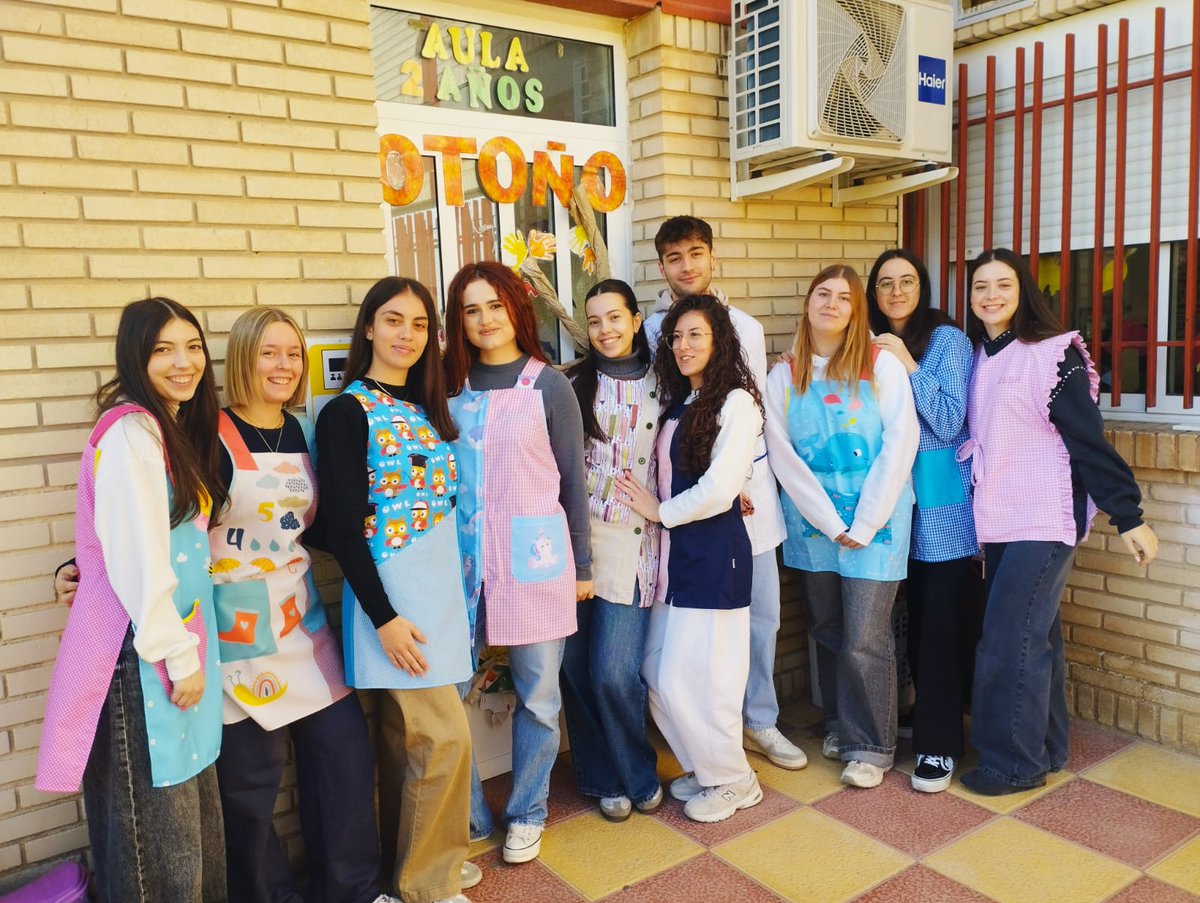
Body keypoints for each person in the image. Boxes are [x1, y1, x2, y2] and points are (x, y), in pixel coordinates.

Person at [37, 297, 229, 902]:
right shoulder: (132, 432)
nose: (183, 362)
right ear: (135, 358)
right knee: (158, 845)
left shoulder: (164, 427)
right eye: (162, 350)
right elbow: (137, 559)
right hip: (145, 658)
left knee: (184, 829)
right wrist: (179, 655)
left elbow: (136, 535)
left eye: (193, 346)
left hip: (169, 648)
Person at [958, 248, 1158, 795]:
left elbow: (1087, 439)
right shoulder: (982, 356)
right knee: (1032, 640)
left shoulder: (1052, 354)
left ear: (1024, 290)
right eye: (980, 287)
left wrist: (1128, 515)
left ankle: (1013, 766)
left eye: (1002, 284)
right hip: (998, 517)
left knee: (1005, 644)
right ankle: (1047, 750)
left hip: (1043, 519)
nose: (990, 296)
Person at [213, 308, 395, 903]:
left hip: (301, 617)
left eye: (293, 354)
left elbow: (311, 525)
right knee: (250, 786)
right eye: (269, 352)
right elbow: (163, 529)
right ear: (243, 357)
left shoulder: (300, 432)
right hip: (235, 632)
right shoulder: (207, 435)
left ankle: (353, 890)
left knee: (343, 759)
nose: (285, 366)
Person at [317, 277, 478, 903]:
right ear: (368, 329)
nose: (405, 334)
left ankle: (412, 868)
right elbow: (339, 528)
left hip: (437, 592)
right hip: (393, 599)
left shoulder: (421, 406)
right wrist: (383, 616)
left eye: (418, 324)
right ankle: (428, 885)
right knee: (443, 740)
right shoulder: (346, 412)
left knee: (405, 743)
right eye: (392, 320)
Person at [443, 260, 592, 864]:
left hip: (536, 559)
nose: (484, 320)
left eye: (494, 306)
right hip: (459, 563)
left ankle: (527, 810)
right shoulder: (447, 387)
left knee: (539, 696)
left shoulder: (548, 383)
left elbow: (573, 481)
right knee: (448, 695)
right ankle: (473, 813)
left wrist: (582, 567)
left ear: (516, 309)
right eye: (470, 310)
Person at [643, 216, 804, 771]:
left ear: (712, 257)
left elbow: (751, 412)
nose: (686, 266)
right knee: (696, 636)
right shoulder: (650, 329)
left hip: (742, 495)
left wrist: (741, 482)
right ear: (661, 267)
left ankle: (759, 721)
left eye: (695, 253)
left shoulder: (745, 327)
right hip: (690, 498)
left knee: (761, 619)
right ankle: (709, 739)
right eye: (673, 257)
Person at [764, 265, 919, 790]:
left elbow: (902, 444)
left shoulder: (883, 366)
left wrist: (866, 519)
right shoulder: (785, 374)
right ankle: (838, 724)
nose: (832, 303)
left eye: (845, 298)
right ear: (808, 304)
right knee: (828, 630)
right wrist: (831, 523)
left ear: (857, 311)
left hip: (877, 525)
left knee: (865, 636)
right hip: (816, 528)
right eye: (822, 294)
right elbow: (782, 456)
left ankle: (872, 745)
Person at [617, 294, 765, 823]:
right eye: (676, 337)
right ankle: (708, 767)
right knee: (658, 673)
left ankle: (734, 780)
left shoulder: (737, 402)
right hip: (677, 559)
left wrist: (659, 511)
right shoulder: (683, 402)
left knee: (706, 680)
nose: (683, 346)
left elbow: (719, 487)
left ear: (719, 340)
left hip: (714, 558)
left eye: (695, 335)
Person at [866, 250, 979, 793]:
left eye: (906, 281)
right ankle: (925, 713)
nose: (896, 291)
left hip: (938, 506)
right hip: (885, 502)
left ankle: (939, 745)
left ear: (922, 286)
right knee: (905, 618)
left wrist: (906, 364)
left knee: (939, 622)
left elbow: (949, 418)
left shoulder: (947, 341)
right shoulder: (862, 341)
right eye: (885, 283)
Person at [560, 279, 664, 823]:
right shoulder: (570, 384)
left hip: (635, 543)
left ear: (636, 318)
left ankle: (638, 771)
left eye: (615, 318)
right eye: (594, 320)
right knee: (575, 668)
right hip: (573, 544)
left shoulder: (665, 381)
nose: (605, 330)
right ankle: (602, 778)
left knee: (614, 671)